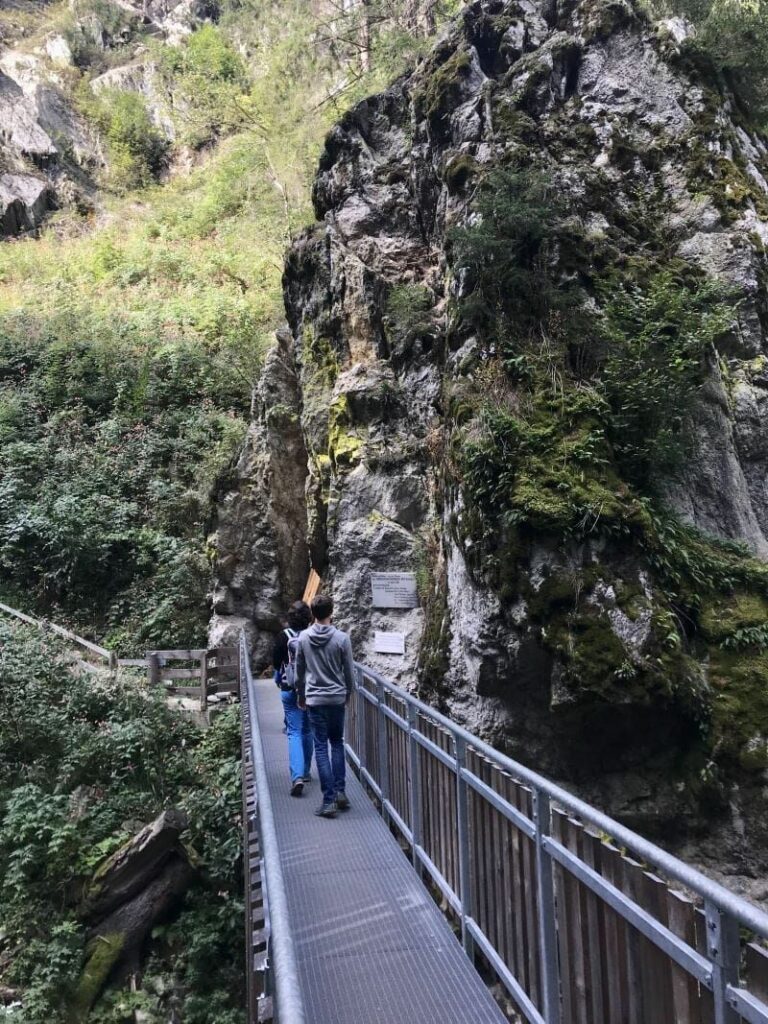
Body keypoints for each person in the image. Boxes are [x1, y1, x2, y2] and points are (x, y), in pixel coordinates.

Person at [296, 593, 356, 818]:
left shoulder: (303, 638)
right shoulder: (342, 639)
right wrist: (348, 692)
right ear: (331, 612)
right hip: (336, 698)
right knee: (337, 743)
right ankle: (340, 792)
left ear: (313, 613)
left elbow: (300, 671)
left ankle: (328, 800)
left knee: (320, 746)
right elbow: (349, 671)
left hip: (315, 699)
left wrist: (301, 695)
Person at [272, 600, 313, 797]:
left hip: (289, 689)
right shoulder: (312, 635)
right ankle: (305, 771)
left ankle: (296, 776)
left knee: (294, 732)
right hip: (311, 690)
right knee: (308, 730)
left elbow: (275, 662)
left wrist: (278, 677)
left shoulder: (283, 637)